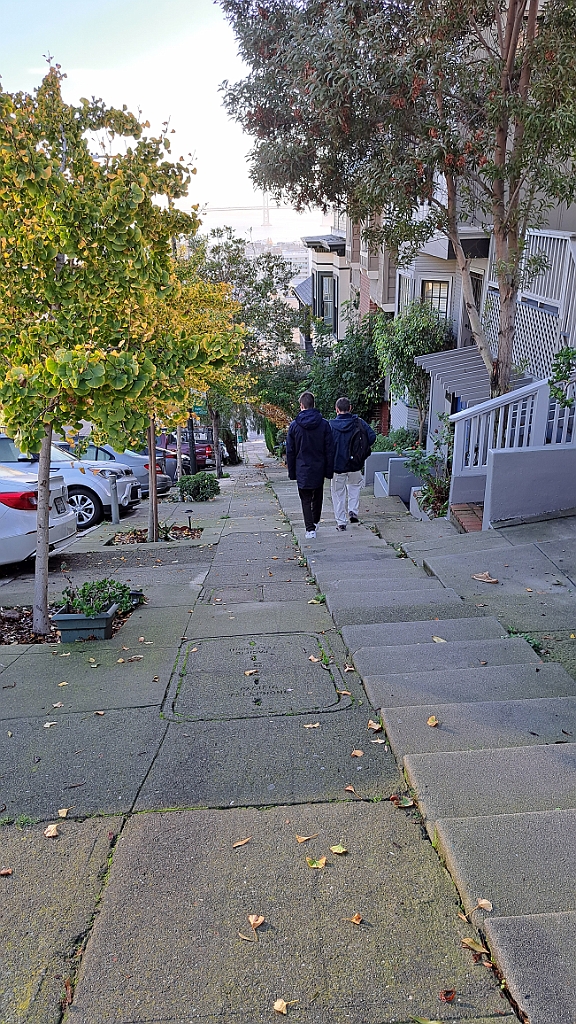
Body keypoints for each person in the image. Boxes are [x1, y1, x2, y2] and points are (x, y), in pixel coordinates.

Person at [286, 391, 334, 539]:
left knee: (305, 499)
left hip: (302, 467)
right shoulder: (324, 424)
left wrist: (292, 472)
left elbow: (290, 451)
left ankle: (309, 529)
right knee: (318, 495)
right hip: (319, 466)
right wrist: (329, 470)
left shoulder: (294, 426)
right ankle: (315, 521)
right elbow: (329, 449)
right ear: (313, 404)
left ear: (301, 405)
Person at [329, 396, 376, 531]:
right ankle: (353, 512)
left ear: (336, 409)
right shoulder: (359, 423)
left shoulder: (331, 426)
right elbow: (372, 437)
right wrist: (361, 451)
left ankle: (341, 522)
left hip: (337, 465)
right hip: (355, 463)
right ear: (350, 408)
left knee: (338, 492)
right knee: (354, 486)